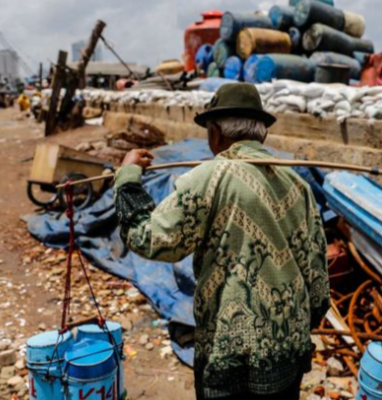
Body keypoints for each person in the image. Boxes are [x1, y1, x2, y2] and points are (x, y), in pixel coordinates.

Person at [114, 83, 330, 400]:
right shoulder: (299, 187)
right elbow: (318, 281)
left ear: (215, 133)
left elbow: (151, 239)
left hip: (229, 352)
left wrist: (127, 177)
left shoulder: (207, 179)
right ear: (263, 135)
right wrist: (296, 327)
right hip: (287, 352)